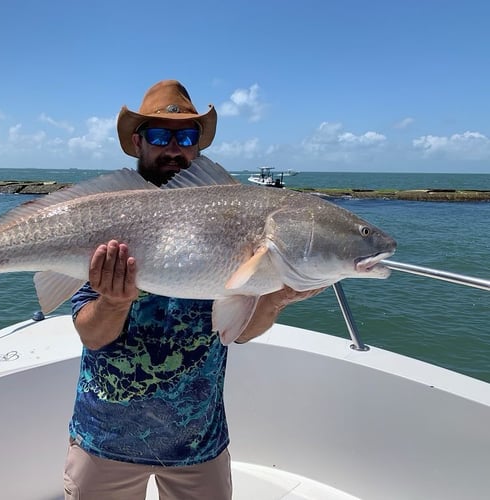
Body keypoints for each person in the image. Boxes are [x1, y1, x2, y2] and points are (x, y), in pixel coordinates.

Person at [64, 80, 322, 499]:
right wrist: (113, 302)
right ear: (137, 141)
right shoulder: (106, 219)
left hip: (199, 444)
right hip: (104, 440)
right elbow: (91, 334)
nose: (174, 148)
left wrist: (275, 298)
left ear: (198, 146)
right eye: (160, 135)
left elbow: (237, 331)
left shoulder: (234, 211)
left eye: (186, 136)